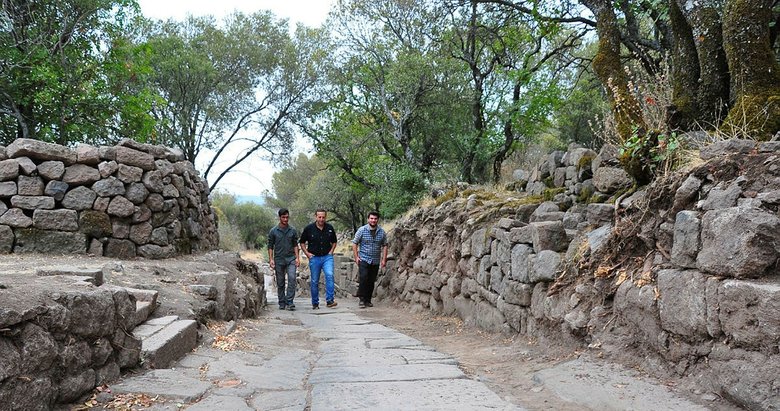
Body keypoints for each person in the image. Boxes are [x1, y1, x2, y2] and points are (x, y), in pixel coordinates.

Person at [299, 208, 338, 309]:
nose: (321, 219)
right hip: (314, 257)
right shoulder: (309, 228)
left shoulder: (329, 228)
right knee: (314, 281)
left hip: (327, 257)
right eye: (319, 217)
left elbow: (334, 241)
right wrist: (307, 254)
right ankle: (315, 303)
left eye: (323, 217)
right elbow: (302, 242)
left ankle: (330, 300)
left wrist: (331, 252)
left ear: (326, 217)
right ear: (315, 217)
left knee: (329, 275)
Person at [352, 210, 388, 308]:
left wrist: (384, 259)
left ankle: (368, 300)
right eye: (371, 218)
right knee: (364, 278)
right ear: (368, 219)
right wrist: (356, 257)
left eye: (375, 219)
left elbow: (385, 245)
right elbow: (354, 243)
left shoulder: (381, 232)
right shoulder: (362, 230)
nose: (373, 220)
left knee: (371, 280)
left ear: (378, 220)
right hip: (364, 258)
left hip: (375, 260)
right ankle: (362, 299)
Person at [267, 208, 300, 311]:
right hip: (279, 259)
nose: (285, 219)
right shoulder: (273, 231)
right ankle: (282, 302)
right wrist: (271, 259)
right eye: (283, 217)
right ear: (279, 218)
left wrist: (297, 258)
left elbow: (295, 245)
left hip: (291, 259)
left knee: (292, 278)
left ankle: (290, 301)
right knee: (280, 282)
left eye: (287, 217)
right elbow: (270, 246)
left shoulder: (292, 230)